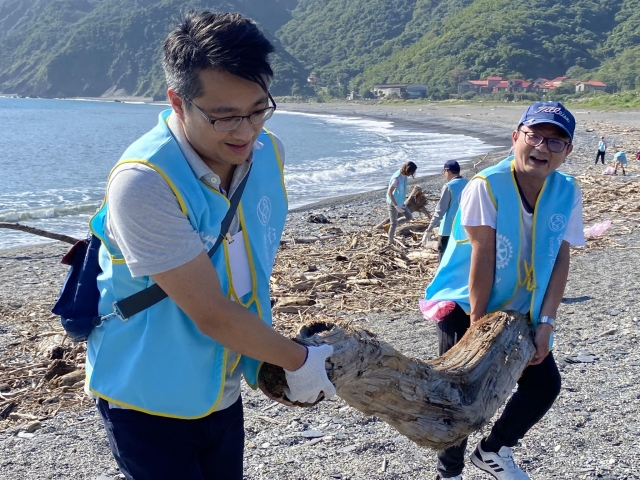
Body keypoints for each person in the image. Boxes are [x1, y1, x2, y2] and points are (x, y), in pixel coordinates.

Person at [85, 12, 335, 480]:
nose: (246, 132)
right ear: (177, 103)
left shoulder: (268, 154)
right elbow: (211, 311)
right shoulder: (143, 182)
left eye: (259, 109)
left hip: (219, 388)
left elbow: (247, 270)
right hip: (147, 397)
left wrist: (262, 361)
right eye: (224, 116)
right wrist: (301, 361)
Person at [424, 101, 584, 480]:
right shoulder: (486, 185)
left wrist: (546, 321)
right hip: (466, 302)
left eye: (556, 142)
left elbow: (561, 258)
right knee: (460, 394)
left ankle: (493, 449)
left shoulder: (567, 190)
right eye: (535, 136)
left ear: (568, 152)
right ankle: (449, 473)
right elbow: (483, 255)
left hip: (521, 306)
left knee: (544, 384)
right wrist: (479, 329)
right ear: (516, 138)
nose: (542, 148)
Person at [422, 160, 468, 261]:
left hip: (448, 230)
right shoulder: (469, 183)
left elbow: (440, 211)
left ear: (448, 171)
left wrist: (429, 229)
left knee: (444, 258)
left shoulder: (448, 186)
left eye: (444, 172)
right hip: (465, 228)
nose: (444, 174)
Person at [386, 161, 417, 244]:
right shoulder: (396, 179)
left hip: (400, 202)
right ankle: (390, 242)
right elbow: (389, 193)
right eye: (412, 172)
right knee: (393, 224)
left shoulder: (404, 175)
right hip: (393, 203)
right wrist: (396, 206)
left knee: (409, 217)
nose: (411, 174)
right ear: (408, 170)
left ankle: (390, 225)